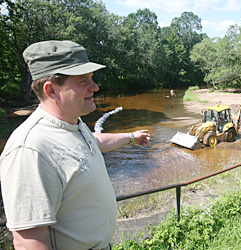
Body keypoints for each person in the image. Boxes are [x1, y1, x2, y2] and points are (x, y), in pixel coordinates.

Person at [0, 40, 151, 250]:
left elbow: (94, 142)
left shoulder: (73, 125)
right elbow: (28, 242)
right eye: (83, 81)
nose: (95, 87)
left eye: (91, 79)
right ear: (51, 90)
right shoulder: (30, 149)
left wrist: (131, 136)